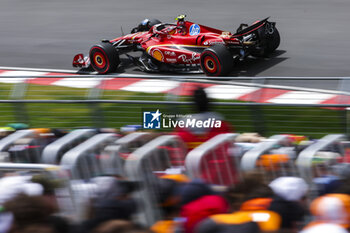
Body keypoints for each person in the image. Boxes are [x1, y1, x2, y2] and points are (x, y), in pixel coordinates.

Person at [173, 87, 232, 151]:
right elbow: (229, 143)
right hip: (216, 159)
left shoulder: (182, 125)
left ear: (192, 105)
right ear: (209, 103)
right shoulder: (221, 124)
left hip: (188, 159)